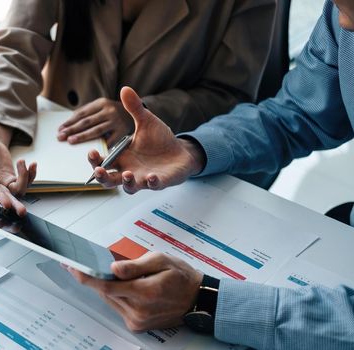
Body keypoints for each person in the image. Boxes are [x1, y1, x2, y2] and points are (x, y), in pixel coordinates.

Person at [69, 0, 354, 348]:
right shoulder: (342, 11)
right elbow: (299, 112)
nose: (340, 22)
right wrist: (191, 151)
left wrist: (207, 301)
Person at [0, 0, 276, 215]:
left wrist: (143, 112)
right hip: (62, 149)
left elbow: (231, 96)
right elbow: (17, 40)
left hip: (166, 173)